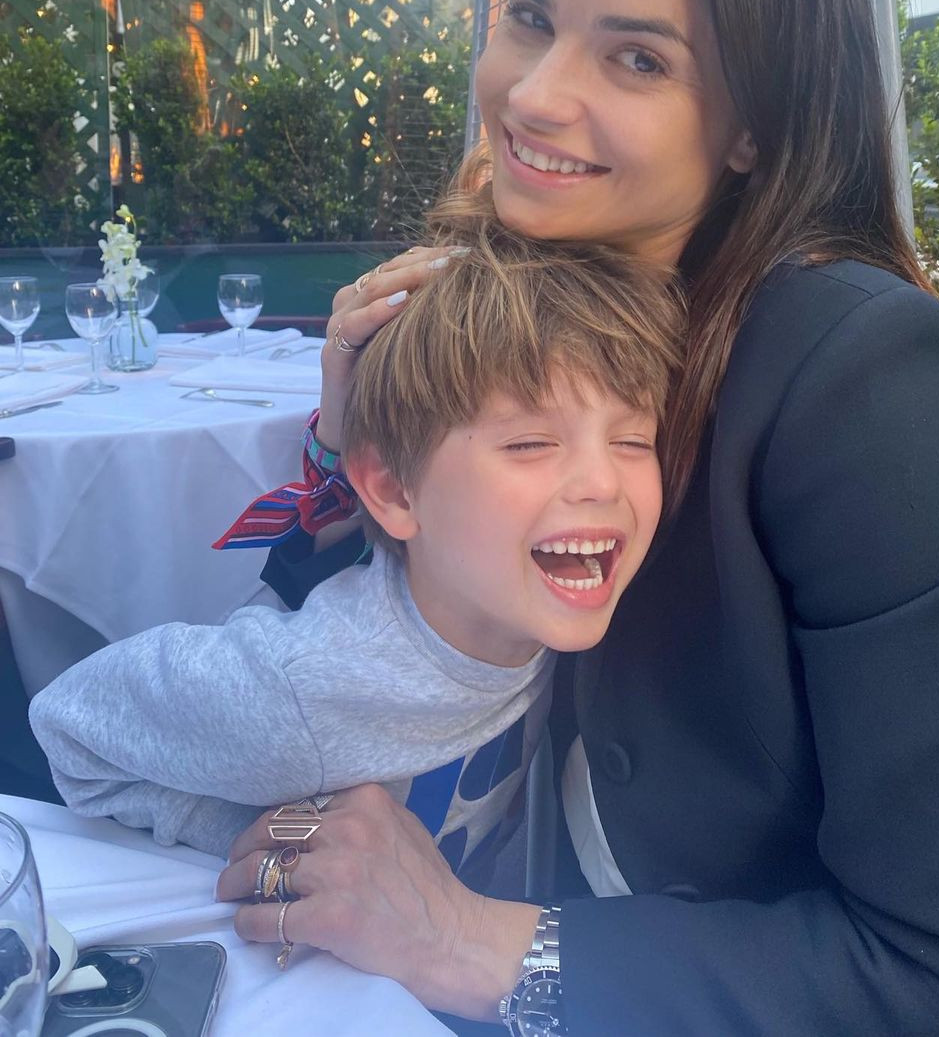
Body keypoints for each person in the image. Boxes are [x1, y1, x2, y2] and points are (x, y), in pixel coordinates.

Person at [216, 0, 939, 1036]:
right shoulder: (508, 292)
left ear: (755, 126)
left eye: (636, 59)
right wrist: (350, 447)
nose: (533, 94)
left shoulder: (860, 373)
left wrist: (470, 941)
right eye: (530, 18)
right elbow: (348, 646)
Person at [28, 222, 683, 880]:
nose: (603, 483)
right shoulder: (300, 689)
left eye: (632, 441)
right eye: (530, 443)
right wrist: (256, 841)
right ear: (394, 491)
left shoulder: (534, 604)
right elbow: (69, 724)